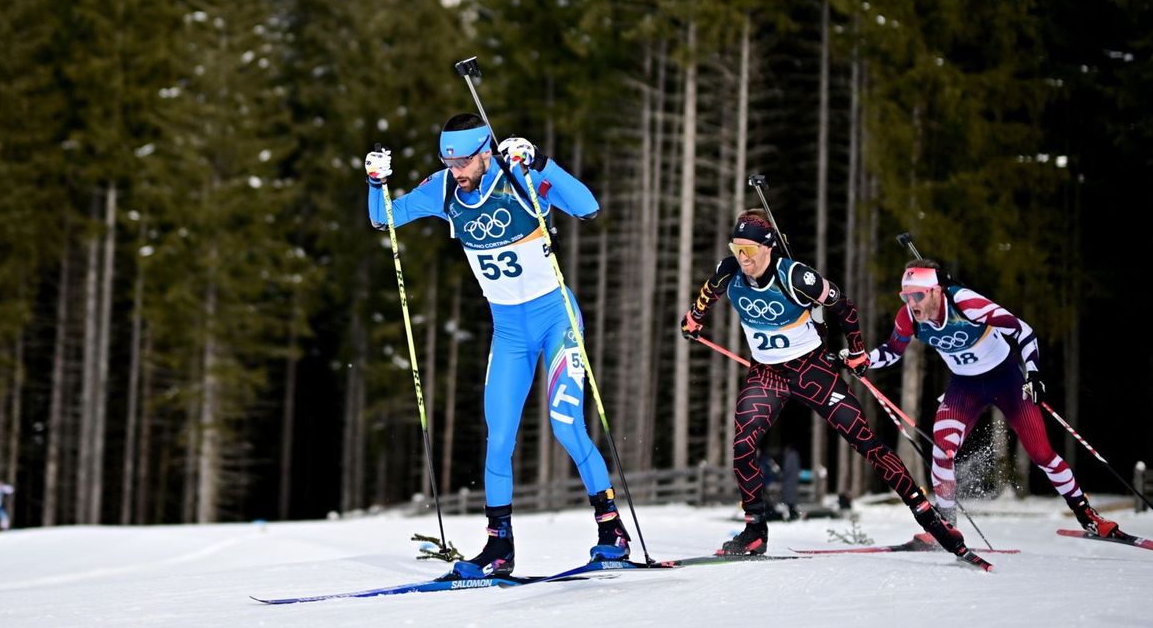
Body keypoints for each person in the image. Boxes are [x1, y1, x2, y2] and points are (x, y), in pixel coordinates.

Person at [365, 113, 627, 577]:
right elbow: (384, 218)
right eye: (447, 160)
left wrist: (541, 162)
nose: (456, 171)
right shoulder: (445, 189)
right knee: (499, 438)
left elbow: (587, 207)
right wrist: (375, 182)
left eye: (463, 160)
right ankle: (498, 547)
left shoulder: (517, 177)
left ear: (486, 151)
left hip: (556, 320)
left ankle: (612, 532)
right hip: (508, 332)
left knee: (566, 424)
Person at [680, 210, 986, 567]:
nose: (742, 257)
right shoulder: (728, 271)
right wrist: (694, 319)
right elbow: (706, 295)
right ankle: (755, 531)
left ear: (768, 247)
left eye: (748, 249)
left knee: (866, 441)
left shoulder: (795, 276)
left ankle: (931, 520)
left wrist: (856, 352)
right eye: (737, 248)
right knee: (742, 442)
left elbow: (844, 307)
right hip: (768, 374)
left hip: (813, 370)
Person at [864, 257, 1120, 540]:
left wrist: (1033, 374)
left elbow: (1023, 331)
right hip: (964, 386)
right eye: (906, 296)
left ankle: (1087, 516)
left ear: (936, 290)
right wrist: (862, 360)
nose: (912, 303)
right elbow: (891, 351)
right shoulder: (909, 317)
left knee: (1042, 454)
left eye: (918, 295)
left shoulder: (967, 304)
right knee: (942, 450)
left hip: (1005, 379)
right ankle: (946, 527)